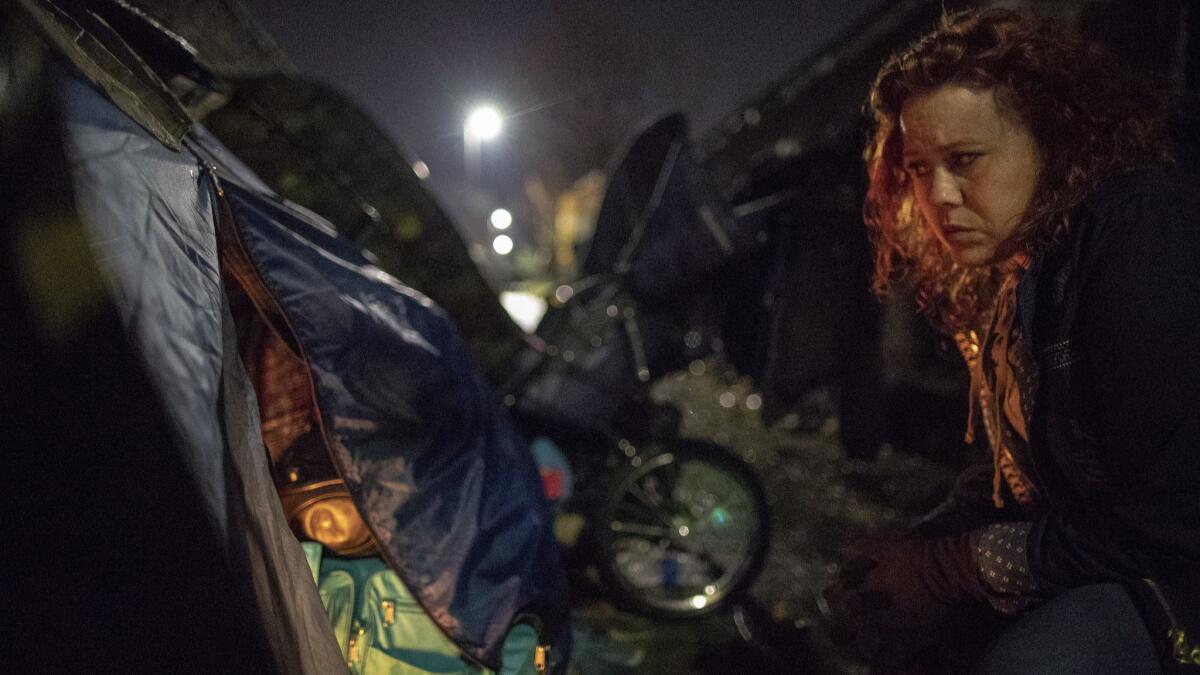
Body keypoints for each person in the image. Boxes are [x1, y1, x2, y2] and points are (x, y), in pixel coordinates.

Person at [824, 8, 1200, 674]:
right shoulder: (1020, 268)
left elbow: (1171, 518)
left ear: (1051, 139)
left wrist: (948, 569)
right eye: (917, 167)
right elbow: (1036, 483)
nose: (939, 195)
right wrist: (917, 550)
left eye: (965, 160)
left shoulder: (1137, 233)